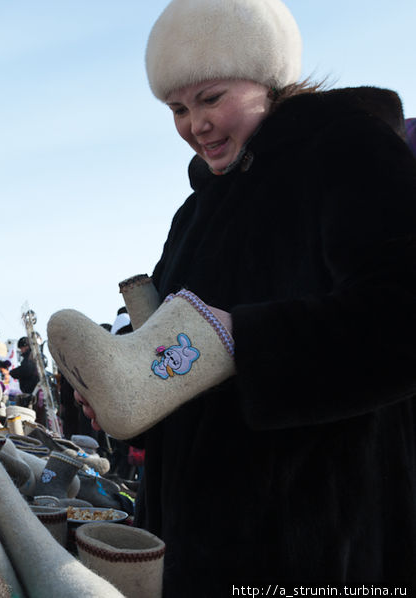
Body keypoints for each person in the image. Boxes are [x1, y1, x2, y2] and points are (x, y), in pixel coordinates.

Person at [58, 0, 416, 593]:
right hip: (196, 544)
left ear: (267, 80)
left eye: (210, 97)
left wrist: (245, 340)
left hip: (319, 539)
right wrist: (131, 403)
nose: (193, 124)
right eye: (176, 107)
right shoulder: (197, 211)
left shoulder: (345, 150)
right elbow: (189, 377)